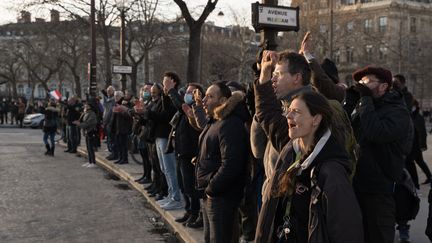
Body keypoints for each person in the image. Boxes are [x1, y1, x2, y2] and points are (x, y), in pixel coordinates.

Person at [344, 66, 413, 243]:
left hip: (380, 192)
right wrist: (350, 102)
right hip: (358, 186)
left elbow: (377, 133)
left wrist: (365, 98)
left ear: (383, 87)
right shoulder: (365, 106)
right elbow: (346, 134)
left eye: (367, 82)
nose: (362, 85)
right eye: (360, 82)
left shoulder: (398, 111)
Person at [196, 82, 250, 243]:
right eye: (205, 95)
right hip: (210, 194)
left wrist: (212, 187)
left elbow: (232, 164)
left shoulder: (230, 123)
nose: (204, 100)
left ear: (223, 100)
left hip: (221, 197)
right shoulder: (215, 121)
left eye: (210, 96)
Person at [165, 81, 204, 226]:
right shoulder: (184, 109)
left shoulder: (197, 109)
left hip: (191, 152)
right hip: (180, 151)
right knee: (183, 185)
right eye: (187, 92)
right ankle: (188, 211)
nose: (188, 94)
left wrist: (171, 91)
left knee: (191, 186)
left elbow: (181, 105)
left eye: (192, 92)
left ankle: (195, 213)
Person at [74, 101, 98, 168]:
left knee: (91, 148)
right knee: (88, 147)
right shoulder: (86, 113)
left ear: (90, 107)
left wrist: (79, 124)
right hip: (87, 131)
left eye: (87, 106)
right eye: (85, 106)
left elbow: (88, 123)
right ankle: (90, 161)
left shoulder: (92, 114)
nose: (85, 106)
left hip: (91, 131)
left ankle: (93, 162)